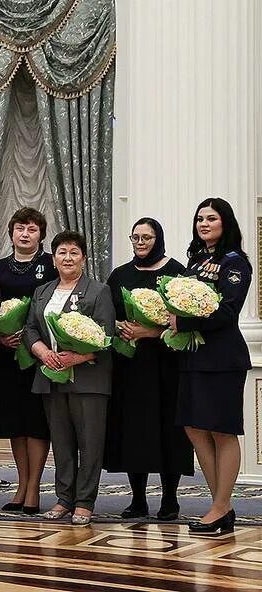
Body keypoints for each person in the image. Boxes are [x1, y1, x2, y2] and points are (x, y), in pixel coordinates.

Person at [171, 198, 253, 536]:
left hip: (222, 357)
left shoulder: (235, 263)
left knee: (222, 430)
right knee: (193, 427)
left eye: (211, 218)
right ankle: (222, 504)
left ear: (225, 223)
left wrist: (184, 321)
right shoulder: (195, 260)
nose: (204, 224)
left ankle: (220, 507)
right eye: (199, 219)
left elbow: (227, 312)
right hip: (193, 356)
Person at [25, 231, 116, 526]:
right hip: (50, 374)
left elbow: (107, 334)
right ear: (53, 258)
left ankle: (85, 502)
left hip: (87, 378)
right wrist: (40, 351)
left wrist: (77, 356)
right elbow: (30, 329)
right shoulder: (43, 291)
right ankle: (64, 498)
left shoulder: (98, 291)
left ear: (84, 259)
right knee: (61, 442)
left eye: (74, 253)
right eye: (62, 252)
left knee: (89, 442)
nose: (67, 258)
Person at [103, 217, 192, 520]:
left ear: (159, 239)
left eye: (147, 238)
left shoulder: (175, 272)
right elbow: (107, 315)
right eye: (136, 238)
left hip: (166, 365)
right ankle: (138, 499)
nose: (141, 243)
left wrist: (151, 332)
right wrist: (119, 327)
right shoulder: (120, 275)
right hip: (129, 367)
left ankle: (170, 499)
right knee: (133, 429)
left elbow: (184, 322)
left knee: (169, 429)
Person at [0, 207, 57, 515]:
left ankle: (34, 488)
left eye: (32, 229)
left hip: (39, 355)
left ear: (41, 234)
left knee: (36, 423)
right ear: (12, 233)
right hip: (7, 354)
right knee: (15, 423)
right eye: (20, 228)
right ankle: (20, 484)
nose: (25, 233)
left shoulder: (51, 265)